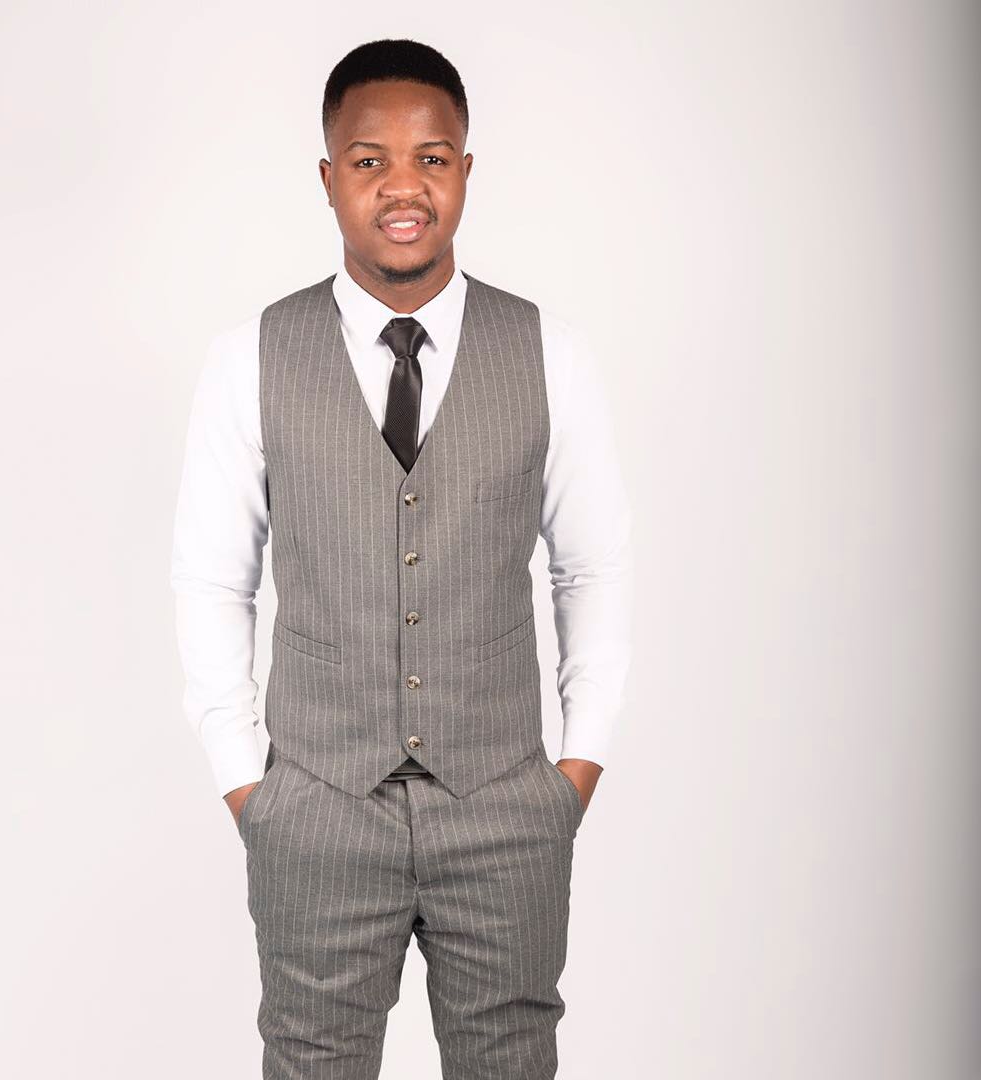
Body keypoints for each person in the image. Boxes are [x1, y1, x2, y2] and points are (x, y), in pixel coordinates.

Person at [171, 37, 635, 1079]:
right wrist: (250, 787)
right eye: (369, 160)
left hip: (505, 807)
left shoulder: (550, 353)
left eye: (430, 158)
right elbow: (212, 578)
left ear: (464, 170)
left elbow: (591, 569)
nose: (402, 187)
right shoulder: (248, 359)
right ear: (329, 176)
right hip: (317, 810)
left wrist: (572, 775)